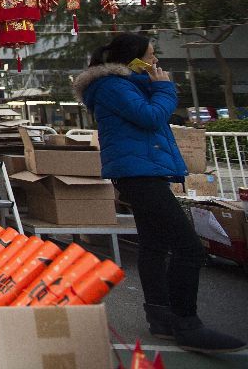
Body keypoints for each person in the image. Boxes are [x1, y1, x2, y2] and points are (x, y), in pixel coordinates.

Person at [74, 33, 245, 353]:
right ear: (132, 59)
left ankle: (162, 316)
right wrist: (163, 87)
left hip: (143, 171)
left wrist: (153, 86)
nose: (155, 62)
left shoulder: (123, 85)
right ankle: (187, 323)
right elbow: (151, 117)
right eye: (149, 56)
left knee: (154, 245)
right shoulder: (113, 86)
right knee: (188, 247)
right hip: (140, 175)